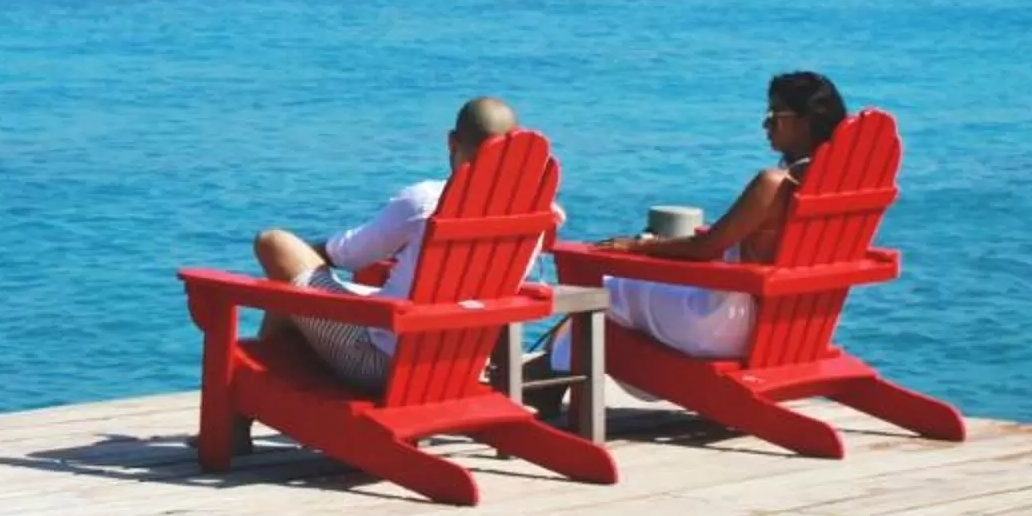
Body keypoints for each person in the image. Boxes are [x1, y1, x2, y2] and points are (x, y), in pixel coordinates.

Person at [250, 95, 525, 394]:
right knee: (299, 292)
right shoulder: (534, 213)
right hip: (463, 362)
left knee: (275, 244)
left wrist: (306, 255)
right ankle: (257, 391)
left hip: (385, 365)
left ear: (451, 142)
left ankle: (249, 395)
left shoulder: (426, 201)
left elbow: (348, 255)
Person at [581, 69, 850, 361]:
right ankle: (551, 374)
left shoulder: (774, 184)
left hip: (730, 326)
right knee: (624, 294)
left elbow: (705, 249)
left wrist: (637, 246)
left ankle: (555, 379)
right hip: (794, 329)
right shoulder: (842, 188)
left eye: (775, 115)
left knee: (605, 290)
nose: (765, 124)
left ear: (805, 120)